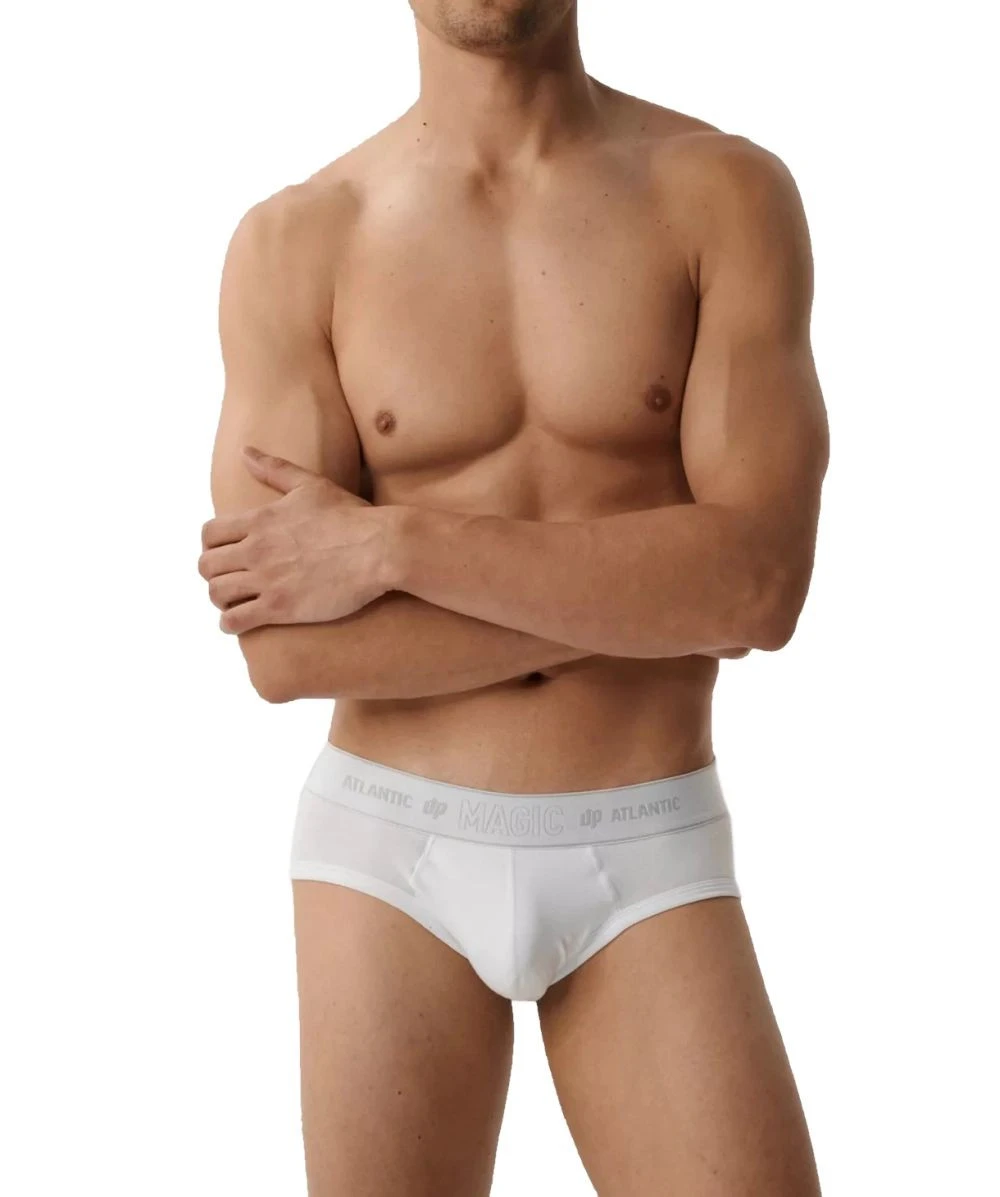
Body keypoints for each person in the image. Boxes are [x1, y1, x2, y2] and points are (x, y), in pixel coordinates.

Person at [198, 2, 829, 1192]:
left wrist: (393, 546)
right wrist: (645, 592)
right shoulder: (297, 242)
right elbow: (286, 654)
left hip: (646, 840)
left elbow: (756, 586)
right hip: (388, 851)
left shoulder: (723, 195)